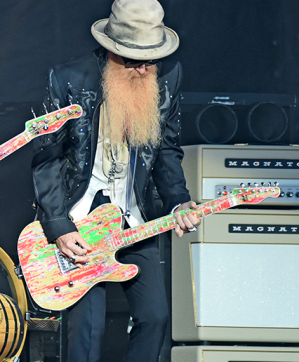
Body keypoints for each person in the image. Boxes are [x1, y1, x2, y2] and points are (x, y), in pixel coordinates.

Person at [31, 0, 201, 361]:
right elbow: (46, 159)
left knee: (156, 317)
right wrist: (58, 225)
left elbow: (166, 151)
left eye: (150, 59)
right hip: (79, 224)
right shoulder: (68, 79)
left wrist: (179, 201)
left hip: (132, 219)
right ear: (111, 52)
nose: (143, 69)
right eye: (133, 59)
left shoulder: (167, 78)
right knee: (87, 330)